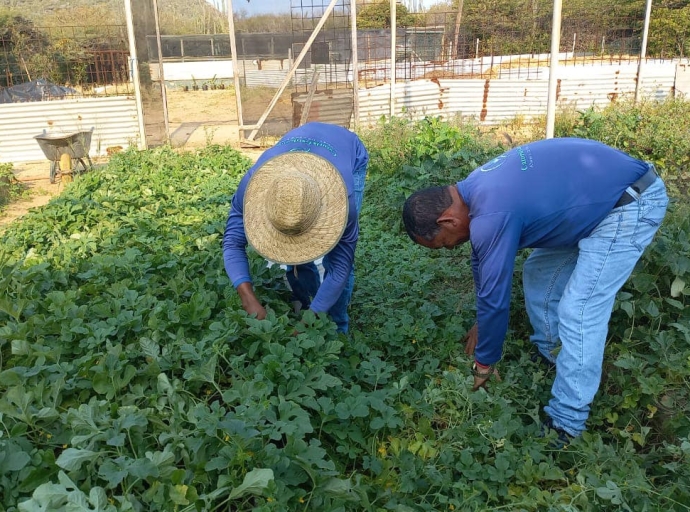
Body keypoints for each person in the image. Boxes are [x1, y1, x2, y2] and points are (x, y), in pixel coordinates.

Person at [402, 137, 668, 442]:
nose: (451, 250)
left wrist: (484, 363)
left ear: (447, 220)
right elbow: (483, 266)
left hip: (629, 202)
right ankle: (552, 353)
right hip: (600, 201)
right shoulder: (473, 190)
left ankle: (567, 422)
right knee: (539, 271)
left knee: (579, 310)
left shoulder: (490, 214)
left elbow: (496, 297)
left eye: (444, 245)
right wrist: (481, 320)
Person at [222, 122, 369, 333]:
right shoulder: (252, 185)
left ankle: (337, 327)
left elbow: (340, 268)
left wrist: (311, 321)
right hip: (302, 139)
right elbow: (232, 242)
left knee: (335, 255)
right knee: (296, 250)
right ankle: (305, 300)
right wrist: (247, 298)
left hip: (347, 148)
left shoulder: (343, 201)